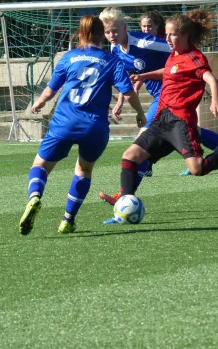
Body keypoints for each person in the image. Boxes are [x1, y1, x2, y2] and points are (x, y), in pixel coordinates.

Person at [113, 9, 218, 208]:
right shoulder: (174, 55)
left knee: (197, 168)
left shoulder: (194, 57)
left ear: (185, 36)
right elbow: (168, 71)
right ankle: (125, 204)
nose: (168, 39)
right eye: (167, 34)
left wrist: (215, 100)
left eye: (173, 35)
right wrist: (144, 76)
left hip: (180, 121)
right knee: (130, 156)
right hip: (162, 119)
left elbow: (210, 78)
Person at [18, 15, 147, 235]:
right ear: (102, 35)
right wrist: (140, 114)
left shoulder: (69, 58)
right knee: (84, 170)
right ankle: (67, 220)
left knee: (40, 166)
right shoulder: (111, 61)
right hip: (94, 127)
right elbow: (127, 92)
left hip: (64, 122)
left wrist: (39, 102)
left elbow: (50, 91)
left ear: (80, 33)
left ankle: (35, 197)